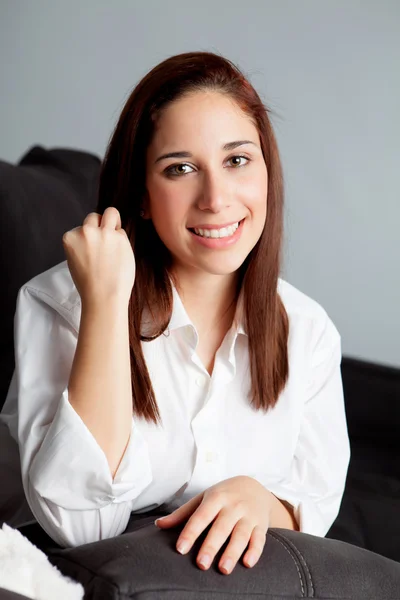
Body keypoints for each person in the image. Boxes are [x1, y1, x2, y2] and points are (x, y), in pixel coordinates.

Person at [0, 51, 351, 577]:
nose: (215, 198)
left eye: (237, 160)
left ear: (267, 173)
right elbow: (80, 525)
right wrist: (104, 307)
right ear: (141, 195)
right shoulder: (58, 303)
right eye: (180, 168)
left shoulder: (308, 330)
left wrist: (265, 504)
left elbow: (314, 500)